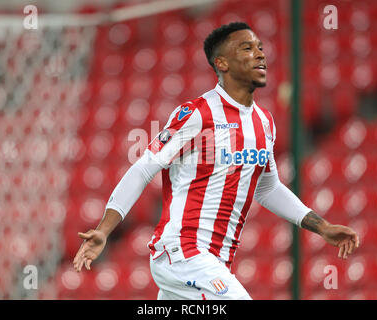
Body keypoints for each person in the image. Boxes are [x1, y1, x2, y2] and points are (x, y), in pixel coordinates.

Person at [73, 22, 359, 300]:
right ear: (222, 64)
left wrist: (322, 227)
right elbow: (144, 167)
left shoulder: (264, 122)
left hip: (214, 261)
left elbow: (267, 188)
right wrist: (104, 229)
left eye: (260, 47)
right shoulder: (198, 113)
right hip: (183, 252)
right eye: (247, 48)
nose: (260, 54)